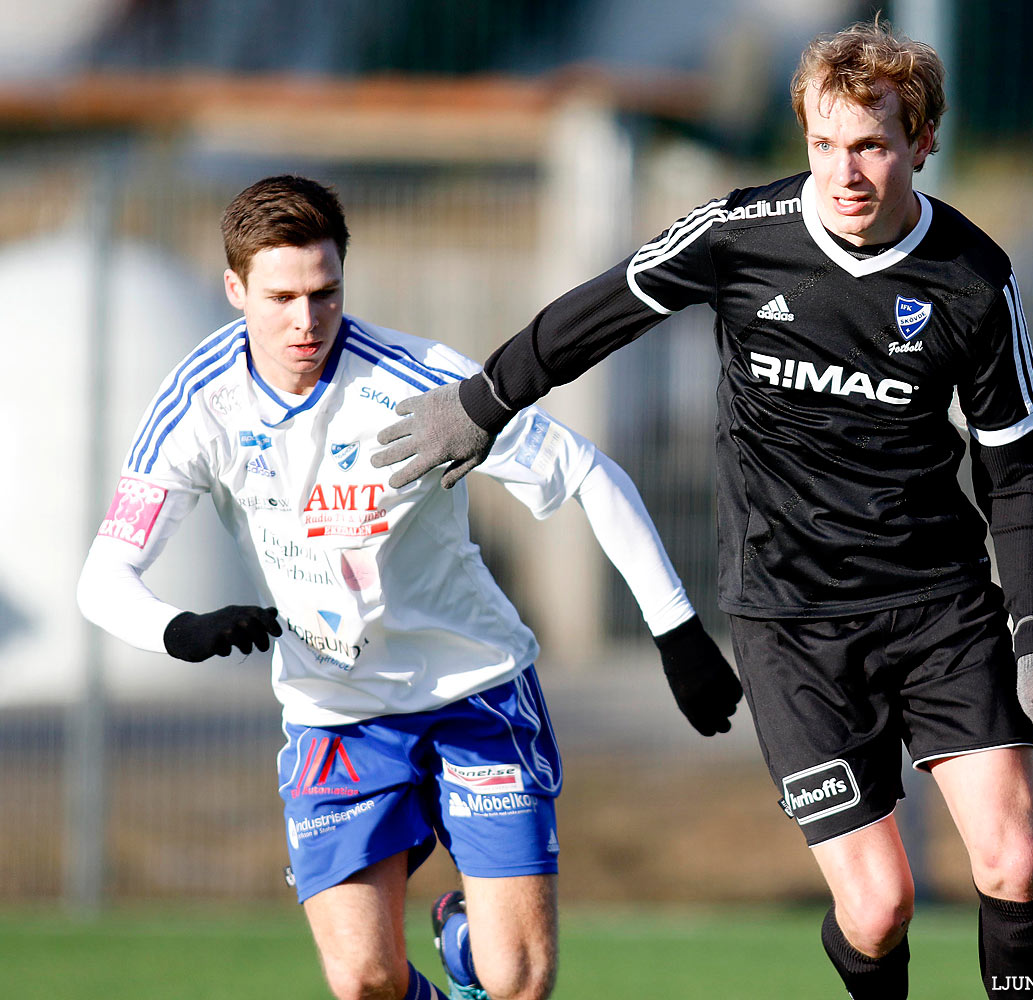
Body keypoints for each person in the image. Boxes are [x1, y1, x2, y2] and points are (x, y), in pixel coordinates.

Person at [371, 18, 1033, 1000]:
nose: (845, 170)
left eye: (873, 145)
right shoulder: (742, 238)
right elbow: (604, 307)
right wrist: (484, 401)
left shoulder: (971, 279)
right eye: (825, 143)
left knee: (1010, 863)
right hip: (791, 620)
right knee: (877, 908)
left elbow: (1019, 469)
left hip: (940, 605)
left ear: (922, 143)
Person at [77, 174, 741, 1000]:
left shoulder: (416, 382)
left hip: (475, 692)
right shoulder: (198, 404)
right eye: (280, 297)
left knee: (517, 982)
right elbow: (104, 580)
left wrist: (676, 633)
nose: (305, 321)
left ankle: (471, 946)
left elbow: (589, 475)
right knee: (365, 981)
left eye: (325, 293)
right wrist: (182, 630)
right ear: (234, 289)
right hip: (336, 712)